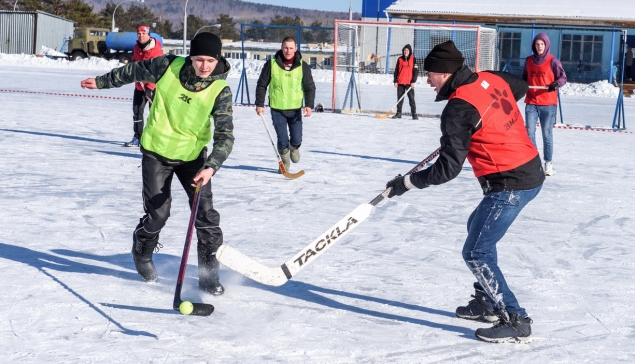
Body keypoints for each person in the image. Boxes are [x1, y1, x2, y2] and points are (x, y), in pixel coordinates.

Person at [385, 41, 545, 343]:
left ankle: (515, 318)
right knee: (478, 227)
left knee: (476, 251)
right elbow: (519, 87)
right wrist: (483, 124)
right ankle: (487, 302)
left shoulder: (458, 109)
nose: (427, 80)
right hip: (529, 169)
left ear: (444, 73)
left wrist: (408, 183)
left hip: (511, 182)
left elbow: (448, 169)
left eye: (429, 73)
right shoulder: (491, 78)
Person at [80, 32, 234, 296]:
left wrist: (211, 166)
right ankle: (142, 248)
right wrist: (102, 82)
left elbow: (225, 134)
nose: (204, 66)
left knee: (206, 215)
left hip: (193, 159)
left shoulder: (221, 90)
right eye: (199, 59)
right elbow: (134, 71)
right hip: (156, 153)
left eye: (210, 60)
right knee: (158, 214)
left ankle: (209, 275)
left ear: (217, 59)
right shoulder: (167, 67)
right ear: (191, 57)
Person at [255, 36, 315, 173]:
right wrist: (260, 104)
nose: (288, 51)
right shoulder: (271, 64)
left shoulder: (303, 66)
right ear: (282, 48)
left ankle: (294, 148)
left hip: (295, 110)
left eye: (291, 48)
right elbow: (261, 85)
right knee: (282, 140)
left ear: (296, 49)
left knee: (296, 139)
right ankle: (284, 164)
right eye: (285, 48)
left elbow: (309, 87)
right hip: (277, 109)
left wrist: (309, 105)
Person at [522, 33, 566, 176]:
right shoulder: (528, 61)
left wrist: (555, 84)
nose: (539, 46)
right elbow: (524, 78)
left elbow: (562, 78)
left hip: (548, 103)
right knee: (529, 133)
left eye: (542, 44)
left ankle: (548, 162)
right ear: (534, 46)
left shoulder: (553, 61)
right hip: (531, 103)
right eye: (537, 44)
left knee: (546, 134)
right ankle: (534, 162)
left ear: (546, 45)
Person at [125, 25, 164, 147]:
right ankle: (138, 136)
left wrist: (150, 87)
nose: (141, 36)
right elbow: (134, 63)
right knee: (137, 112)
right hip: (139, 86)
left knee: (155, 113)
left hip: (153, 87)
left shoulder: (156, 51)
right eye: (139, 34)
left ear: (148, 35)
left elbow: (158, 71)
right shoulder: (137, 47)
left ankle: (155, 138)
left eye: (143, 33)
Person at [392, 44, 418, 119]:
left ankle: (414, 114)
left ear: (410, 51)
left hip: (409, 83)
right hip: (400, 82)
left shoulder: (413, 59)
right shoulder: (399, 59)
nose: (406, 52)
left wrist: (413, 81)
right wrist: (395, 81)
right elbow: (396, 70)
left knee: (411, 99)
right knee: (400, 99)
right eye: (404, 50)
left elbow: (416, 71)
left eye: (407, 50)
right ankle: (399, 113)